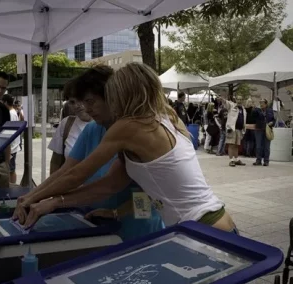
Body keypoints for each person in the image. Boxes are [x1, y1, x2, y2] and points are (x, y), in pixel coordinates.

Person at [14, 63, 236, 234]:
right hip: (217, 220)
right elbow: (111, 184)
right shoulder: (165, 116)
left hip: (200, 226)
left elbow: (76, 174)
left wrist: (30, 199)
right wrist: (55, 201)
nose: (87, 108)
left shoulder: (128, 127)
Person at [14, 65, 164, 241]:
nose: (86, 108)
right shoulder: (93, 129)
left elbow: (132, 190)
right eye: (82, 102)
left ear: (113, 97)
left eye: (91, 101)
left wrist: (118, 213)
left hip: (135, 227)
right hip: (95, 222)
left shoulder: (135, 131)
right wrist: (31, 197)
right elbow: (67, 171)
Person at [48, 80, 92, 174]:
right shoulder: (66, 124)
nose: (77, 105)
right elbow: (56, 161)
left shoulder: (104, 124)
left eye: (80, 100)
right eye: (72, 102)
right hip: (70, 186)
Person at [220, 96, 246, 167]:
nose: (239, 101)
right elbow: (226, 103)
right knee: (231, 145)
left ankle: (236, 159)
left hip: (239, 130)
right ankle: (231, 160)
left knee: (237, 145)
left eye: (241, 99)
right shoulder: (232, 106)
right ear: (236, 100)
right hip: (232, 129)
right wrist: (223, 100)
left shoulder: (243, 109)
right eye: (238, 99)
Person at [2, 94, 21, 184]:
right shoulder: (13, 112)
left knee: (10, 169)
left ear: (5, 102)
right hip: (13, 145)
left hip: (11, 146)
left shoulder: (10, 113)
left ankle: (12, 185)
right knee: (11, 169)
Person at [252, 99, 275, 166]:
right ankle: (258, 160)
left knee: (267, 146)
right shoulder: (257, 110)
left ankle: (266, 161)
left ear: (266, 104)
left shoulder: (270, 110)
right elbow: (253, 116)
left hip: (267, 130)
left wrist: (272, 123)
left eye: (262, 103)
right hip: (259, 129)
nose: (261, 104)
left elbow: (274, 120)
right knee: (259, 146)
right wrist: (254, 109)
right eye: (260, 102)